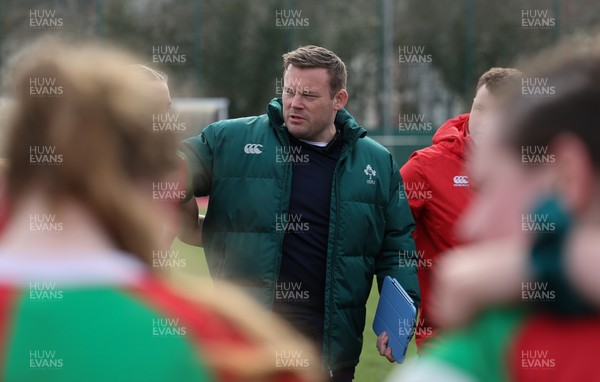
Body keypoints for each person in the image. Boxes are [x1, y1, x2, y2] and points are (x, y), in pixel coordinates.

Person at [0, 40, 321, 382]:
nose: (166, 117)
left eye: (168, 106)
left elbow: (187, 228)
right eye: (154, 107)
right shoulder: (230, 348)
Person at [177, 45, 421, 380]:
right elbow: (173, 168)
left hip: (330, 355)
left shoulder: (376, 162)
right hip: (245, 348)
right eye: (289, 91)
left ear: (339, 99)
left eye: (308, 95)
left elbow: (397, 247)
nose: (294, 103)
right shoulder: (229, 140)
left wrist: (400, 318)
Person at [388, 35, 600, 381]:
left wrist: (543, 262)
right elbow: (389, 230)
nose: (472, 225)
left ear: (567, 173)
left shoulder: (473, 362)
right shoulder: (427, 165)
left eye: (491, 188)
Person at [398, 67, 522, 350]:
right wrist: (397, 314)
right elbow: (384, 237)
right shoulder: (426, 168)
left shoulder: (538, 167)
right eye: (480, 108)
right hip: (448, 339)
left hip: (515, 341)